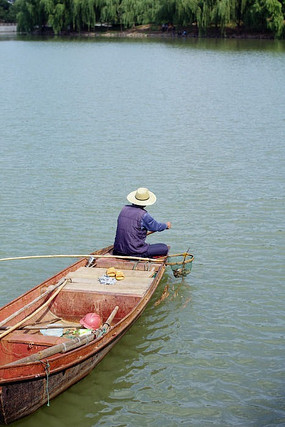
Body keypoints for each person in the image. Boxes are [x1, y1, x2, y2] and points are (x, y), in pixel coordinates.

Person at [113, 187, 171, 258]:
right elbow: (156, 227)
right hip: (134, 251)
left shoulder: (123, 209)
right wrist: (166, 225)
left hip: (118, 250)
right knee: (164, 247)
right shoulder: (143, 215)